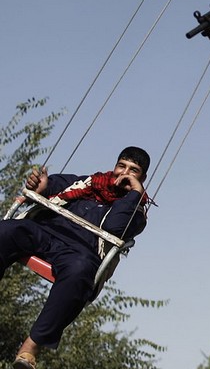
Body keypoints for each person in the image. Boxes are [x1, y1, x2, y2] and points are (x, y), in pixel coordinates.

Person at [0, 146, 150, 369]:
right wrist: (41, 186)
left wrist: (134, 194)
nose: (124, 173)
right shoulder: (87, 182)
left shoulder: (135, 212)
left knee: (80, 272)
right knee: (6, 231)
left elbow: (114, 227)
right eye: (121, 166)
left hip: (79, 252)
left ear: (142, 178)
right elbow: (52, 185)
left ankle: (30, 348)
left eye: (133, 170)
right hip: (46, 232)